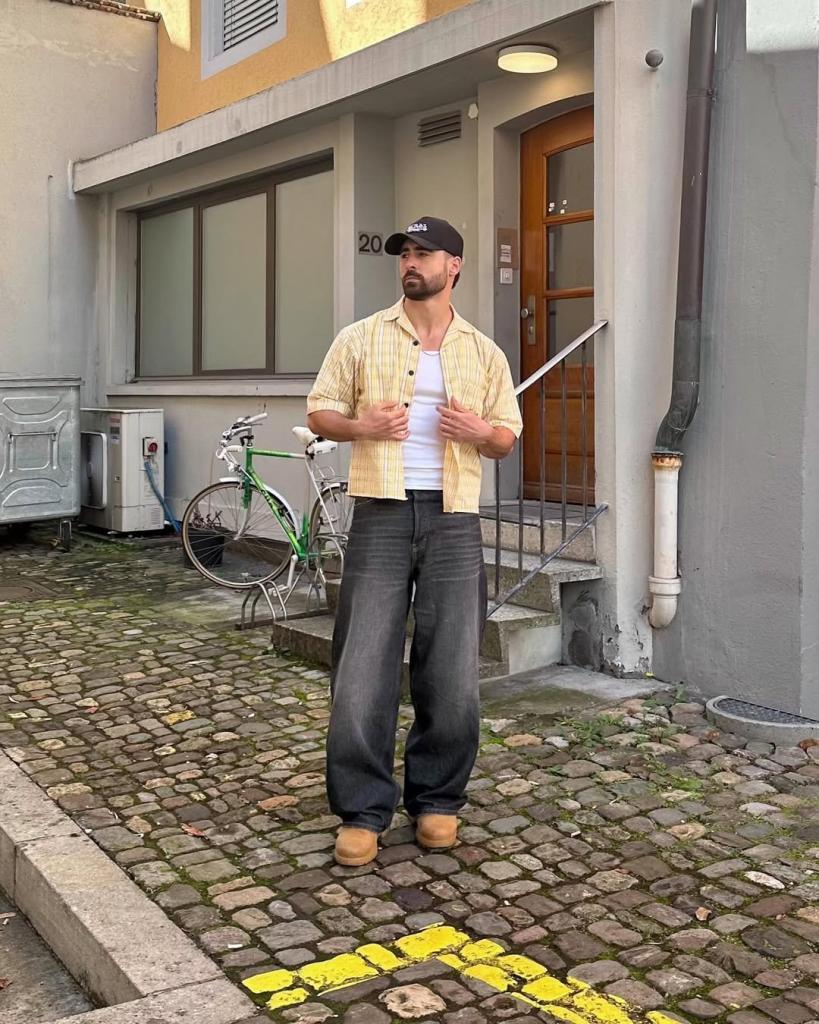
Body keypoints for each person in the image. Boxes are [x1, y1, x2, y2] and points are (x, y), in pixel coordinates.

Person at [306, 216, 522, 866]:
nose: (410, 261)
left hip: (454, 518)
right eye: (404, 252)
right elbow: (318, 411)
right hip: (381, 511)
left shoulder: (483, 352)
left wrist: (479, 433)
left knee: (451, 666)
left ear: (453, 265)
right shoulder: (360, 337)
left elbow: (506, 437)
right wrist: (360, 426)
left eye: (424, 252)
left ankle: (437, 800)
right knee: (362, 665)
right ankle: (362, 809)